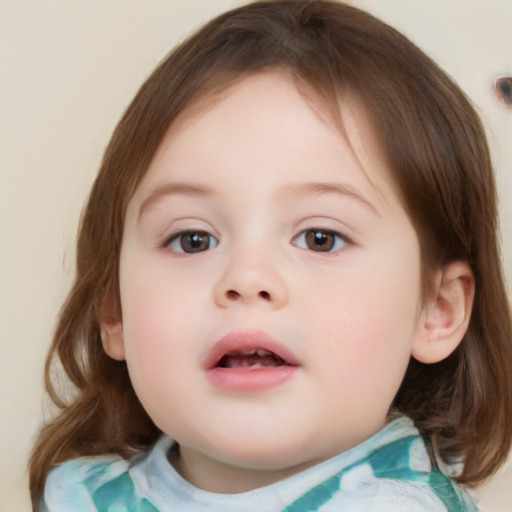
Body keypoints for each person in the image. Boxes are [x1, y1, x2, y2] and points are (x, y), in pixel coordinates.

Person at [29, 1, 512, 510]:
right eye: (193, 239)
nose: (248, 278)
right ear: (114, 311)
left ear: (438, 309)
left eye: (320, 238)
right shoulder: (77, 495)